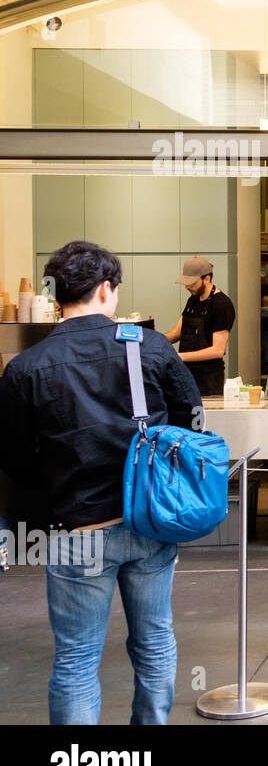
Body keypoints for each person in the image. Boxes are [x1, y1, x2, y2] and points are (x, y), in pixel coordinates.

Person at [0, 241, 201, 724]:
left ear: (56, 294)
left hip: (76, 532)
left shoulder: (25, 367)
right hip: (150, 522)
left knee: (75, 659)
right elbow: (192, 422)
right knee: (154, 641)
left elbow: (12, 458)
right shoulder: (149, 347)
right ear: (107, 289)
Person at [163, 256, 236, 397]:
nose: (187, 287)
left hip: (208, 381)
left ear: (207, 279)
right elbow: (177, 333)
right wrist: (153, 338)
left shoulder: (222, 305)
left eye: (191, 283)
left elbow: (218, 350)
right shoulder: (193, 300)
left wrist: (179, 356)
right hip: (186, 375)